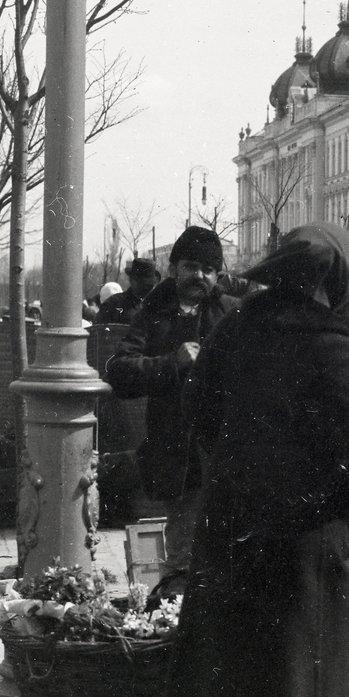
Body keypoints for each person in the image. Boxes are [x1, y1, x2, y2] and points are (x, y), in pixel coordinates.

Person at [158, 223, 349, 697]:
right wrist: (339, 511)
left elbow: (198, 407)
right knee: (301, 649)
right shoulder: (332, 336)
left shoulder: (237, 325)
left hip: (235, 513)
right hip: (307, 525)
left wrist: (232, 472)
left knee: (236, 642)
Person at [106, 227, 237, 592]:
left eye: (208, 269)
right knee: (183, 559)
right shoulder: (154, 312)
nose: (199, 275)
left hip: (229, 453)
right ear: (175, 267)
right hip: (179, 456)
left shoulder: (232, 313)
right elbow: (120, 370)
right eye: (191, 266)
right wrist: (171, 362)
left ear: (218, 273)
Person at [98, 259, 160, 325]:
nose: (147, 288)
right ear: (131, 280)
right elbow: (99, 331)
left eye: (150, 285)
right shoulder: (114, 304)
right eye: (143, 284)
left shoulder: (157, 306)